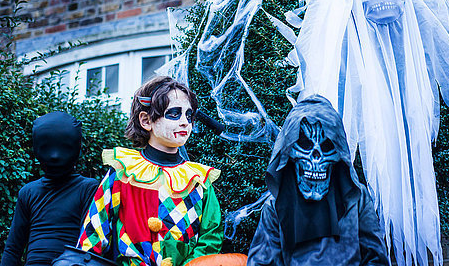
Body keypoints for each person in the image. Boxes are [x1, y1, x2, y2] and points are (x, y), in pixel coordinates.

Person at [77, 76, 223, 266]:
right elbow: (93, 234)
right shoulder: (123, 173)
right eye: (174, 114)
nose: (185, 122)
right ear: (146, 120)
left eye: (189, 115)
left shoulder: (198, 180)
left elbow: (211, 239)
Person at [247, 95, 389, 266]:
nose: (316, 157)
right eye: (305, 144)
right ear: (290, 153)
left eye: (327, 146)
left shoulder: (356, 199)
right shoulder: (276, 205)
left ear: (339, 152)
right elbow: (262, 263)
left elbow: (376, 259)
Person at [0, 111, 99, 266]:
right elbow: (13, 248)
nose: (54, 156)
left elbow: (92, 242)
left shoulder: (88, 189)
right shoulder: (28, 192)